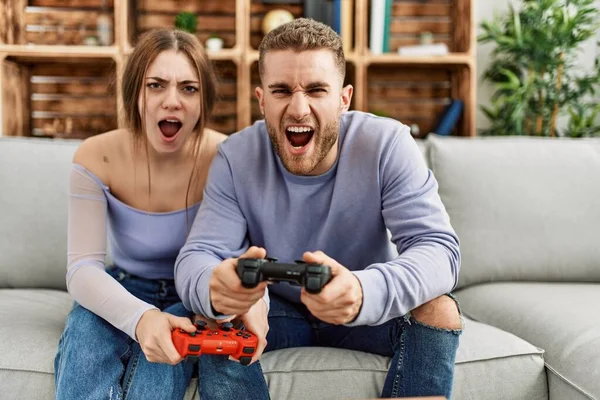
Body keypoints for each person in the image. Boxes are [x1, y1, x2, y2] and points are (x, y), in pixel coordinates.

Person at [175, 18, 463, 399]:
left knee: (440, 309)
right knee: (217, 316)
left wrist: (363, 291)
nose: (298, 108)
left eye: (315, 90)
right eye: (281, 91)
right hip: (276, 309)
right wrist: (221, 292)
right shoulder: (236, 155)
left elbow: (440, 251)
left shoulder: (387, 143)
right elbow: (198, 256)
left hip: (362, 306)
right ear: (262, 100)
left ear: (343, 99)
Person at [54, 28, 264, 400]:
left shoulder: (228, 157)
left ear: (203, 101)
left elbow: (250, 257)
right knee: (84, 334)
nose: (172, 101)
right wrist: (141, 317)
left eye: (189, 88)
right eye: (156, 85)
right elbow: (82, 269)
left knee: (158, 373)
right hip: (123, 284)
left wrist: (253, 304)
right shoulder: (95, 156)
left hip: (195, 293)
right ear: (135, 92)